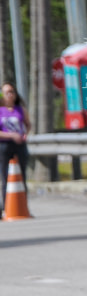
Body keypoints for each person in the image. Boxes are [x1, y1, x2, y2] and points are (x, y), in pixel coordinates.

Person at [0, 82, 31, 218]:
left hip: (19, 145)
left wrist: (25, 134)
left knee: (22, 176)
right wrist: (11, 135)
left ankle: (23, 206)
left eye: (12, 91)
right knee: (5, 177)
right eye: (7, 92)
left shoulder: (20, 109)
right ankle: (7, 207)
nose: (10, 95)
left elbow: (28, 124)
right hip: (5, 145)